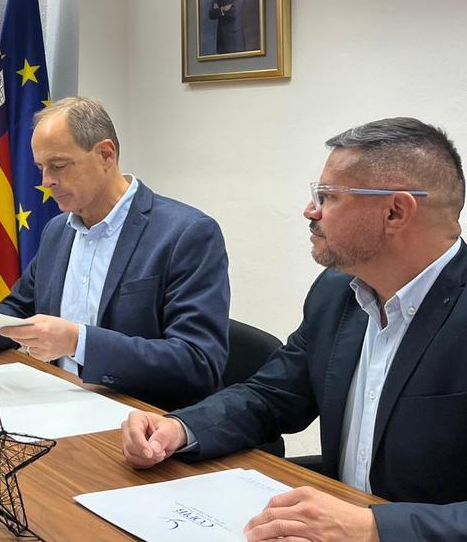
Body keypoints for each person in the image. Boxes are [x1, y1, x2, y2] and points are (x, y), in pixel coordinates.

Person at [121, 117, 467, 541]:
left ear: (395, 211)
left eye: (328, 196)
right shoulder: (337, 293)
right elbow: (271, 396)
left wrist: (374, 527)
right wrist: (180, 428)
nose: (310, 211)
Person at [0, 97, 230, 409]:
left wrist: (79, 342)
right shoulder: (58, 230)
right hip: (53, 402)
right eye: (41, 168)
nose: (46, 182)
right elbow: (21, 309)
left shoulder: (187, 234)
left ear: (105, 155)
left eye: (58, 166)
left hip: (141, 419)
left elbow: (198, 363)